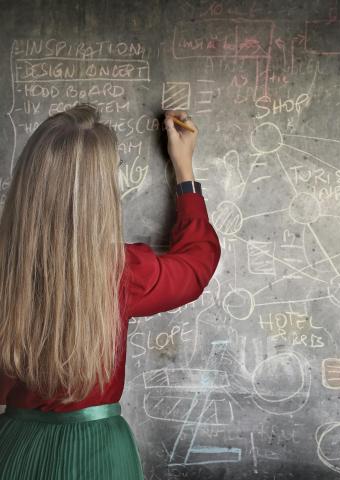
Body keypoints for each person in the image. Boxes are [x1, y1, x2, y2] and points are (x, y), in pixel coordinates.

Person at [0, 103, 221, 479]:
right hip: (98, 451)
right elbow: (197, 264)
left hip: (15, 446)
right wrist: (184, 170)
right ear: (101, 191)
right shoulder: (123, 272)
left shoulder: (7, 269)